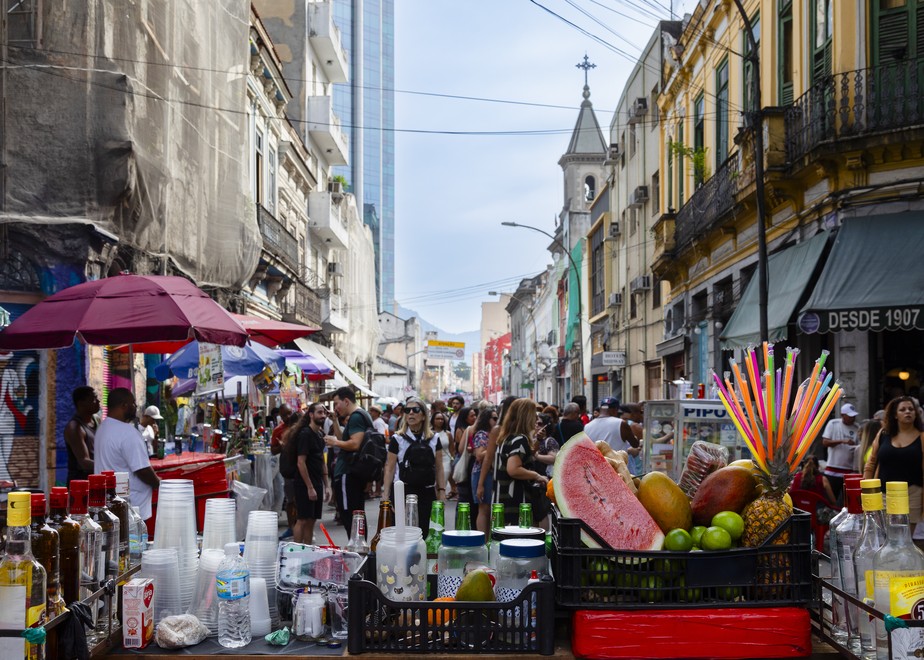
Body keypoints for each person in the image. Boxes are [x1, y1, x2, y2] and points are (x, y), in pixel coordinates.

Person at [94, 388, 161, 533]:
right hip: (131, 509)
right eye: (133, 403)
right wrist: (159, 484)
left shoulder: (103, 428)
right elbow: (142, 470)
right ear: (124, 405)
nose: (135, 407)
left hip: (110, 503)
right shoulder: (129, 433)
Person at [381, 397, 446, 536]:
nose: (410, 413)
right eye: (407, 410)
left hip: (427, 492)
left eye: (415, 410)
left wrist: (441, 491)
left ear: (423, 416)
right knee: (402, 533)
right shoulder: (397, 439)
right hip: (403, 491)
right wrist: (386, 495)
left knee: (425, 532)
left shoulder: (434, 438)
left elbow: (439, 467)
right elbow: (390, 468)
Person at [864, 396, 924, 523]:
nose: (908, 412)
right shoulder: (884, 434)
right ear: (895, 415)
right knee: (885, 536)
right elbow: (871, 463)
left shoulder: (922, 436)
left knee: (905, 537)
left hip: (913, 493)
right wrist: (866, 490)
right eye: (902, 409)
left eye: (911, 409)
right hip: (884, 493)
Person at [324, 387, 374, 536]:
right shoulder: (359, 415)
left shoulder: (356, 417)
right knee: (355, 515)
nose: (336, 408)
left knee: (350, 516)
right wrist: (334, 421)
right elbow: (345, 439)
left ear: (346, 401)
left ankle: (356, 548)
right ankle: (358, 548)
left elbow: (354, 444)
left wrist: (334, 443)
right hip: (352, 473)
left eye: (337, 403)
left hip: (348, 473)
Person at [494, 398, 551, 528]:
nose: (537, 420)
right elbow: (513, 469)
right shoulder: (520, 439)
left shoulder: (508, 437)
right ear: (526, 416)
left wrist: (537, 441)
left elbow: (524, 455)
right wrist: (537, 476)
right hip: (515, 501)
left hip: (502, 500)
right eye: (534, 415)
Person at [286, 403, 330, 544]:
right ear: (311, 415)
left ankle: (307, 551)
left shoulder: (320, 434)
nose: (322, 415)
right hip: (304, 484)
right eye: (319, 412)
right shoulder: (305, 434)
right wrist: (309, 487)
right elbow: (301, 462)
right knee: (302, 519)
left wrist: (326, 485)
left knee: (312, 520)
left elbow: (322, 461)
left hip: (316, 482)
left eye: (324, 412)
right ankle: (297, 552)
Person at [821, 402, 860, 502]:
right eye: (850, 416)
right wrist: (842, 441)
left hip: (849, 471)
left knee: (848, 501)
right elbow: (825, 442)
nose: (853, 418)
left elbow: (860, 446)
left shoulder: (857, 427)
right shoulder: (833, 424)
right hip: (832, 470)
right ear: (842, 415)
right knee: (830, 500)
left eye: (854, 416)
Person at [470, 407, 498, 533]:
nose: (497, 421)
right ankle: (483, 539)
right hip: (481, 472)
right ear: (487, 419)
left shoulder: (494, 433)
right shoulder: (482, 434)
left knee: (489, 509)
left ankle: (487, 539)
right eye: (494, 418)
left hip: (490, 472)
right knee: (484, 508)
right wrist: (493, 447)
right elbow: (480, 455)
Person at [64, 386, 99, 483]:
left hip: (96, 480)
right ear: (81, 403)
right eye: (94, 399)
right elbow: (84, 462)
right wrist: (109, 466)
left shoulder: (97, 420)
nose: (98, 401)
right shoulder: (74, 428)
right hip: (80, 484)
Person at [790, 456, 837, 525]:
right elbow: (833, 501)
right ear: (818, 467)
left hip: (797, 514)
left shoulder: (796, 477)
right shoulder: (823, 479)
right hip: (817, 516)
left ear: (803, 466)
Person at [452, 406, 477, 514]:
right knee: (463, 495)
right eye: (471, 416)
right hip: (462, 460)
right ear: (465, 418)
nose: (474, 417)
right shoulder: (462, 429)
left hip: (467, 459)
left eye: (475, 415)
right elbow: (461, 449)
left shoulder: (471, 428)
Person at [431, 410, 454, 498]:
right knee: (433, 485)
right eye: (437, 419)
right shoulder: (429, 433)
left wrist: (453, 461)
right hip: (432, 462)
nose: (440, 421)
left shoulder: (448, 434)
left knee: (442, 484)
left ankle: (440, 502)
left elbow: (452, 449)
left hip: (445, 461)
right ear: (433, 420)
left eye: (442, 419)